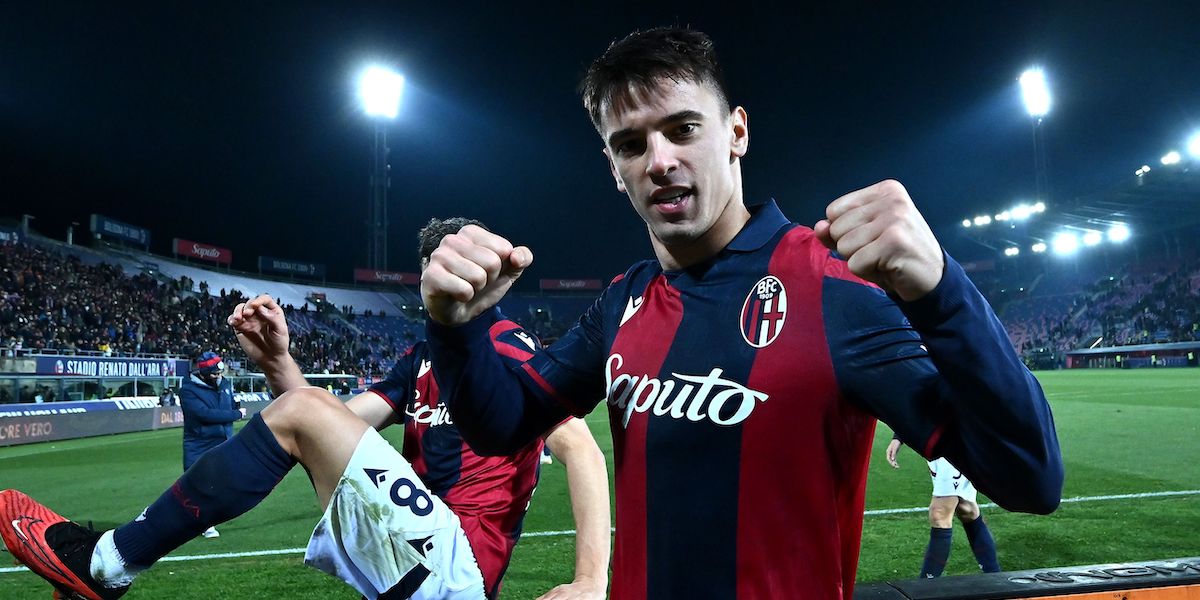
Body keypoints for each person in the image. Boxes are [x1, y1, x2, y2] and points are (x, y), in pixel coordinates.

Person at [418, 27, 1063, 599]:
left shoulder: (832, 288)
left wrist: (944, 290)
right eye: (631, 145)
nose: (660, 160)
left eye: (682, 128)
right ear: (616, 170)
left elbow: (1031, 479)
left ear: (737, 133)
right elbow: (501, 426)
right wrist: (457, 328)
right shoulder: (621, 302)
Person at [0, 218, 609, 600]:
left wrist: (589, 582)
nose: (441, 286)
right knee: (305, 409)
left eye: (452, 272)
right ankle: (106, 566)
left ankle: (105, 564)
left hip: (463, 566)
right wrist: (276, 362)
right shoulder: (421, 360)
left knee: (305, 409)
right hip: (426, 553)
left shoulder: (507, 345)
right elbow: (325, 430)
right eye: (430, 274)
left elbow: (580, 447)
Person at [885, 434, 1001, 578]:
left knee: (939, 513)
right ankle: (995, 577)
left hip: (955, 438)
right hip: (937, 440)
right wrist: (899, 437)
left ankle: (926, 588)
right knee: (966, 509)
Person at [179, 351, 244, 539]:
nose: (219, 376)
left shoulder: (224, 384)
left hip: (224, 441)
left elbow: (230, 403)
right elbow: (203, 415)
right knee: (198, 485)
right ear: (204, 373)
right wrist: (236, 414)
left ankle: (206, 518)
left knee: (223, 483)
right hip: (198, 443)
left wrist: (234, 406)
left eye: (220, 372)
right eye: (215, 373)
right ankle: (204, 524)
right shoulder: (188, 390)